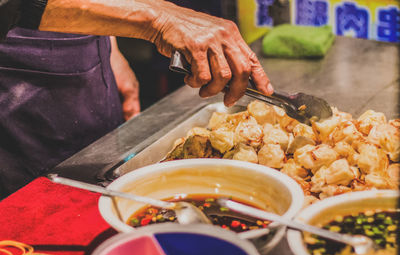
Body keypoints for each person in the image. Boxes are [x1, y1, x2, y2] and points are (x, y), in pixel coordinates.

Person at [0, 0, 273, 198]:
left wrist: (107, 45)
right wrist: (159, 18)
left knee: (100, 192)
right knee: (32, 214)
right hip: (16, 75)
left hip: (81, 43)